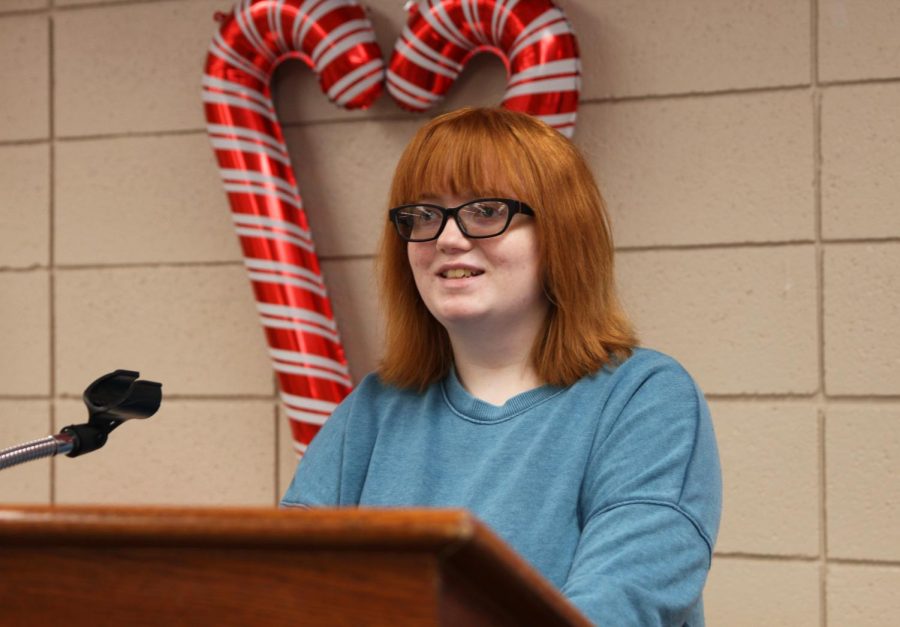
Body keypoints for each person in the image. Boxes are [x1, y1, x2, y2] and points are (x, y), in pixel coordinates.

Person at [282, 107, 722, 626]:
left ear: (561, 234)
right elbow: (285, 592)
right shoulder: (373, 410)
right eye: (423, 215)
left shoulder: (644, 398)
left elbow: (615, 603)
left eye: (486, 211)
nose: (447, 238)